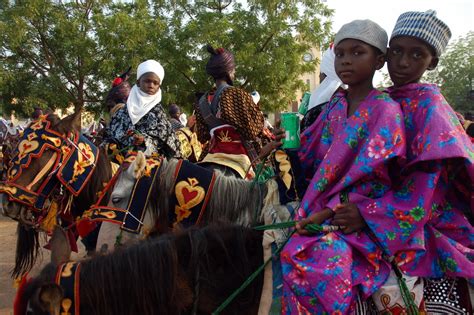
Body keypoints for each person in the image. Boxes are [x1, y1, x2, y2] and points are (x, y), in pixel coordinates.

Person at [280, 20, 407, 314]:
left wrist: (347, 210)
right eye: (340, 54)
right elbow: (313, 155)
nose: (346, 60)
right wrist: (285, 144)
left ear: (379, 60)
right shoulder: (335, 105)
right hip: (322, 206)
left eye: (357, 52)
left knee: (325, 256)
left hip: (362, 215)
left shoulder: (385, 110)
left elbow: (381, 179)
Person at [358, 10, 472, 312]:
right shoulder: (382, 98)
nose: (403, 62)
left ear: (431, 62)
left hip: (417, 216)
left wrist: (367, 215)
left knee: (392, 287)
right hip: (376, 205)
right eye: (397, 51)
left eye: (416, 54)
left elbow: (426, 189)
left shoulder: (431, 108)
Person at [194, 45, 264, 179]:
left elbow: (203, 137)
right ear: (228, 71)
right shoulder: (236, 93)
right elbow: (252, 131)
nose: (234, 73)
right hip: (238, 155)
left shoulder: (202, 100)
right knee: (265, 180)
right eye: (234, 70)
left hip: (212, 154)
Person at [106, 60, 181, 158]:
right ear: (138, 82)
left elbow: (165, 140)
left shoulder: (158, 113)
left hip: (148, 162)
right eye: (147, 81)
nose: (151, 85)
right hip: (119, 159)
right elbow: (111, 133)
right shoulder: (124, 110)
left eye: (155, 83)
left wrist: (144, 140)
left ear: (159, 87)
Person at [301, 45, 344, 131]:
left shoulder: (321, 108)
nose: (318, 76)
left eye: (321, 73)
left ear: (326, 76)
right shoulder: (355, 101)